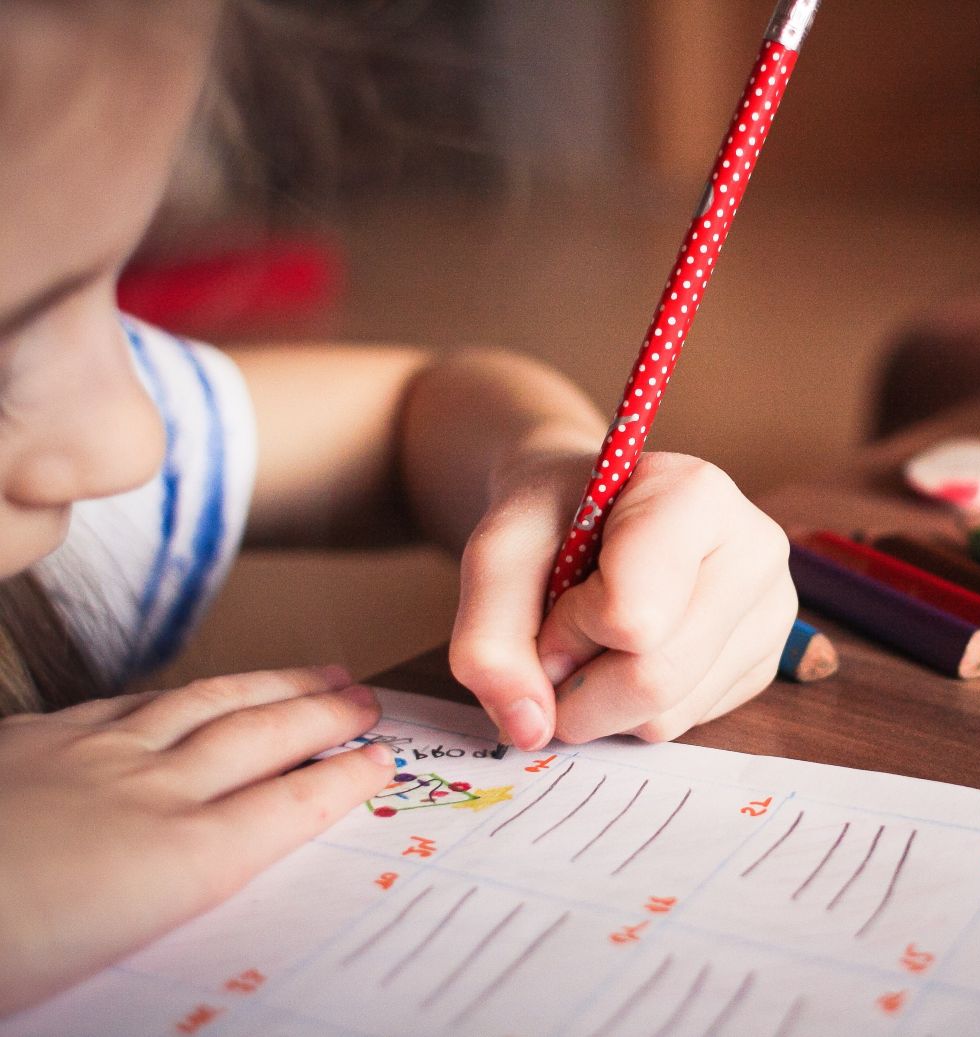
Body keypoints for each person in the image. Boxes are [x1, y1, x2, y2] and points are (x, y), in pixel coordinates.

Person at [0, 0, 795, 1017]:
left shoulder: (75, 473)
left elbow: (413, 411)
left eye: (113, 291)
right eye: (8, 350)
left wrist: (542, 469)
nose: (137, 438)